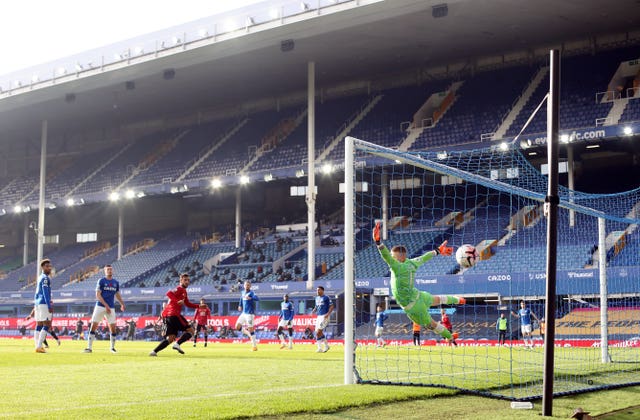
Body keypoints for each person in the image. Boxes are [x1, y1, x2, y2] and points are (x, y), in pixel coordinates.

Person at [373, 222, 464, 343]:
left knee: (431, 324)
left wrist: (378, 242)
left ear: (400, 257)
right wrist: (437, 251)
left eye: (393, 256)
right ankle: (458, 300)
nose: (391, 258)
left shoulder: (396, 266)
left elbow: (385, 256)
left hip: (413, 307)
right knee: (436, 299)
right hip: (419, 295)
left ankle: (450, 337)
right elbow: (424, 257)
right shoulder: (412, 262)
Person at [149, 273, 199, 356]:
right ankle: (177, 344)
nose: (187, 282)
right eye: (185, 280)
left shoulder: (184, 292)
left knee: (170, 338)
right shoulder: (179, 288)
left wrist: (199, 306)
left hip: (168, 316)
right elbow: (168, 293)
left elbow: (188, 303)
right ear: (181, 280)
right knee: (191, 331)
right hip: (174, 315)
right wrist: (177, 301)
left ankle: (154, 352)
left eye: (188, 280)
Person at [84, 265, 126, 353]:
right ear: (105, 271)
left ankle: (112, 348)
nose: (109, 271)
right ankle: (89, 347)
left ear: (112, 271)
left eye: (110, 269)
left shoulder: (116, 282)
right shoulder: (101, 281)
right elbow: (98, 295)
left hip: (111, 307)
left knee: (113, 327)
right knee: (94, 326)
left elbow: (117, 294)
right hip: (100, 306)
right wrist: (106, 305)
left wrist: (122, 303)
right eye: (108, 270)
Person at [33, 259, 54, 353]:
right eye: (47, 266)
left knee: (39, 325)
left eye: (50, 266)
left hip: (37, 303)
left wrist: (35, 304)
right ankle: (39, 346)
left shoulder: (40, 277)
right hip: (43, 303)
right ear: (42, 267)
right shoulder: (45, 278)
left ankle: (37, 345)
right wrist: (49, 304)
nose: (49, 268)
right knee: (47, 324)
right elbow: (45, 292)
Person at [235, 280, 260, 351]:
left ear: (250, 286)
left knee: (251, 329)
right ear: (244, 285)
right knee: (237, 326)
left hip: (250, 314)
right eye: (246, 285)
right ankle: (249, 335)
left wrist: (251, 298)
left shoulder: (251, 293)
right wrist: (240, 305)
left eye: (248, 285)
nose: (247, 286)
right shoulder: (242, 292)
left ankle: (254, 346)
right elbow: (241, 299)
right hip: (243, 313)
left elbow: (257, 298)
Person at [311, 285, 334, 353]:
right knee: (318, 333)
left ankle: (320, 348)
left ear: (322, 290)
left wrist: (328, 314)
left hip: (324, 316)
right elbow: (316, 306)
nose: (317, 291)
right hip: (319, 316)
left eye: (318, 290)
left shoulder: (326, 297)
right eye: (317, 290)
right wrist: (313, 311)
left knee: (318, 332)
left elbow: (332, 306)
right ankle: (326, 346)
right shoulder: (316, 298)